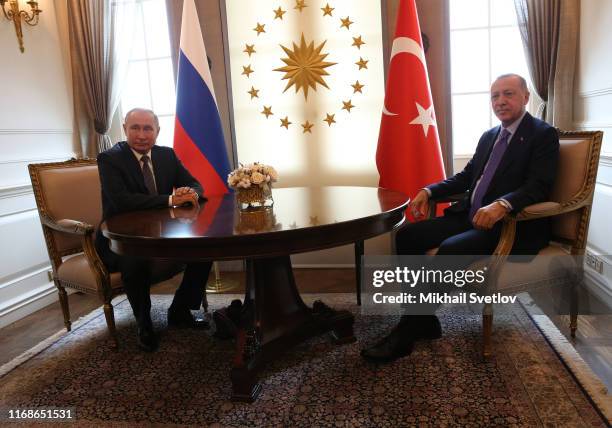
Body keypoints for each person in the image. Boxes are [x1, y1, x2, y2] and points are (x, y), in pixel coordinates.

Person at [361, 73, 560, 363]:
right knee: (408, 235)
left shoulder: (542, 134)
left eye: (508, 94)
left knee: (452, 248)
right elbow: (466, 177)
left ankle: (406, 333)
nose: (500, 101)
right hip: (468, 215)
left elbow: (538, 185)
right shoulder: (490, 136)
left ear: (525, 97)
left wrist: (502, 205)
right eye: (495, 96)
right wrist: (429, 191)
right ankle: (424, 320)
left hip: (509, 225)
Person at [95, 108, 212, 352]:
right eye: (135, 128)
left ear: (157, 131)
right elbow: (122, 201)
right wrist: (170, 200)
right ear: (125, 129)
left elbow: (195, 184)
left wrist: (190, 193)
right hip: (120, 241)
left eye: (148, 128)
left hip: (162, 235)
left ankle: (180, 310)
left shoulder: (166, 155)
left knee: (205, 249)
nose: (141, 134)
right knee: (134, 261)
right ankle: (144, 323)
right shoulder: (110, 158)